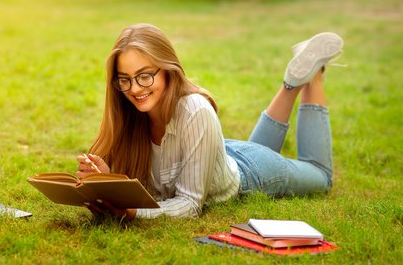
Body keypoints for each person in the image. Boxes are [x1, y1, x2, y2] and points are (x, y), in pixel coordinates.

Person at [76, 23, 344, 220]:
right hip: (221, 156)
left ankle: (314, 72)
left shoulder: (196, 111)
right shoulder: (130, 114)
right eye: (125, 79)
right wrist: (106, 178)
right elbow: (143, 188)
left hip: (254, 174)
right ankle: (293, 81)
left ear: (168, 69)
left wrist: (134, 213)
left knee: (320, 175)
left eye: (145, 76)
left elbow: (190, 205)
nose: (134, 89)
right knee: (257, 151)